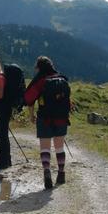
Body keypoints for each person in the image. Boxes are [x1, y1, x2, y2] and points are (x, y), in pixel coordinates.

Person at [24, 56, 71, 189]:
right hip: (61, 118)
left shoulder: (40, 81)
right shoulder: (62, 79)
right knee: (59, 147)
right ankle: (61, 173)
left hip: (44, 119)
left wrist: (31, 115)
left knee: (45, 148)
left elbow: (29, 99)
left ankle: (47, 172)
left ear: (39, 68)